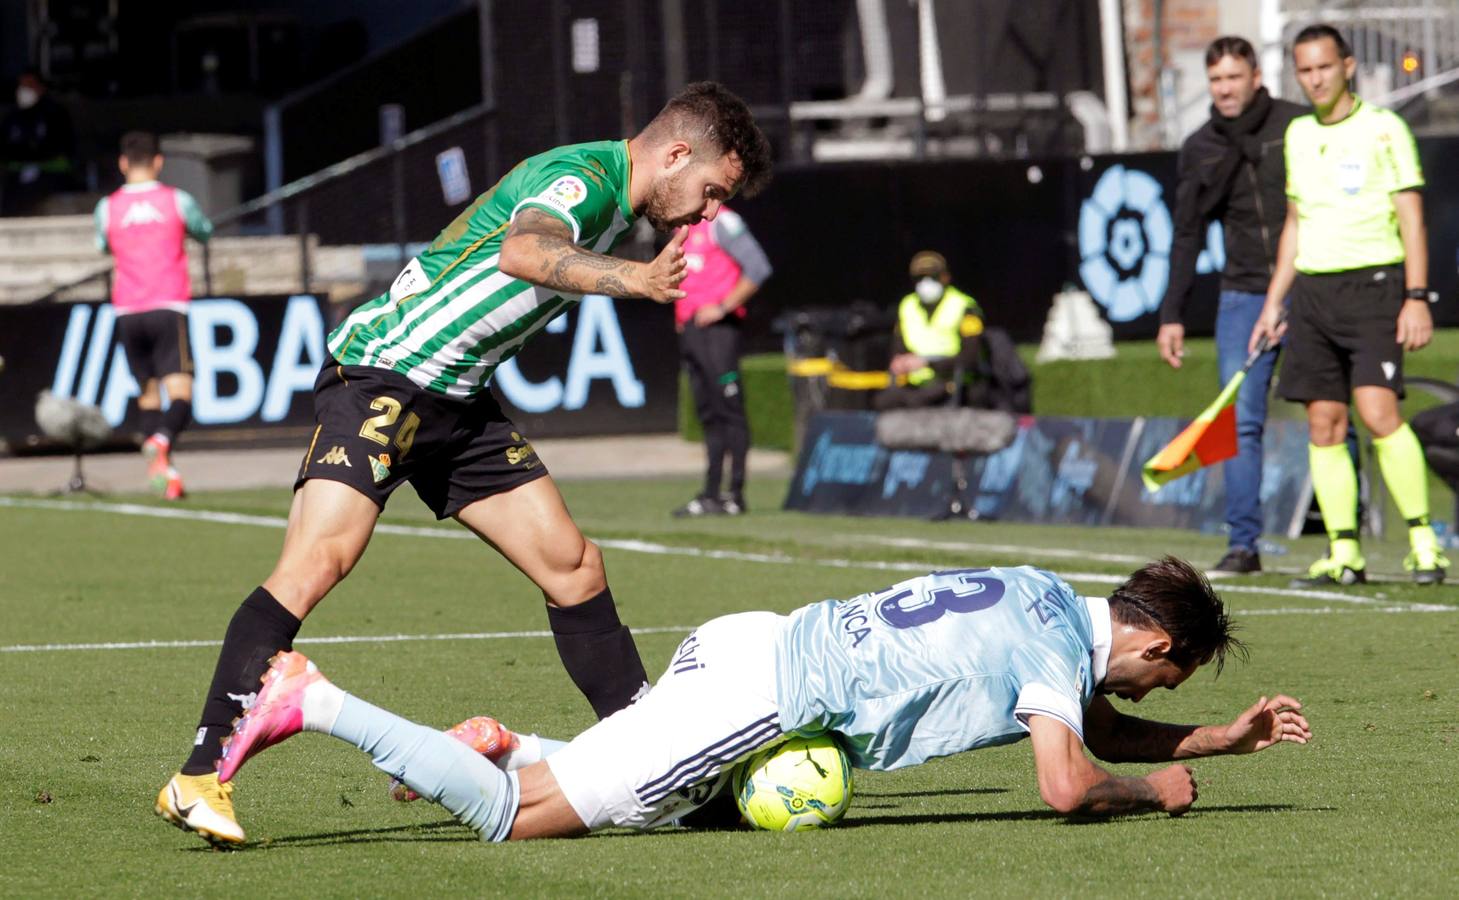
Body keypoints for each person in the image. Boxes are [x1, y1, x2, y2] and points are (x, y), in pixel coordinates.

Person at [153, 81, 773, 846]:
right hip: (385, 372)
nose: (710, 212)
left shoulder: (616, 202)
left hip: (457, 400)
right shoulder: (584, 179)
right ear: (676, 153)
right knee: (319, 560)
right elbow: (524, 250)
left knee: (573, 567)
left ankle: (661, 766)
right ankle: (198, 774)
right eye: (711, 191)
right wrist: (632, 280)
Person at [213, 558, 1310, 843]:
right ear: (1155, 642)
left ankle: (510, 741)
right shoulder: (1049, 655)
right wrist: (1155, 791)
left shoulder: (1044, 601)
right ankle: (315, 699)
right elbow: (1071, 780)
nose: (1150, 690)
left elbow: (1092, 713)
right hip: (764, 698)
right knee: (520, 819)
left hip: (750, 640)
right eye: (1171, 676)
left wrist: (1220, 737)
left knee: (673, 802)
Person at [1250, 25, 1447, 588]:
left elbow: (1411, 218)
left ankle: (1423, 542)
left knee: (1379, 413)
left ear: (1348, 66)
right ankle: (1344, 554)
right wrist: (1274, 302)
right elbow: (1294, 223)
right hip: (1312, 294)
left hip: (1375, 288)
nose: (1314, 79)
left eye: (1323, 68)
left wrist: (1416, 296)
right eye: (1304, 70)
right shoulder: (1297, 135)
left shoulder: (1385, 130)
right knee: (1323, 422)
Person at [1157, 37, 1306, 575]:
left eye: (1233, 77)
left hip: (1311, 287)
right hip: (1243, 294)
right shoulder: (1200, 146)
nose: (1224, 89)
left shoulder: (1297, 125)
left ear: (1256, 75)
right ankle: (1244, 543)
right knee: (1240, 421)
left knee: (1331, 414)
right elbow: (1187, 232)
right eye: (1215, 79)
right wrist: (1172, 312)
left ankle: (1346, 540)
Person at [95, 131, 214, 499]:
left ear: (122, 163)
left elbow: (102, 244)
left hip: (127, 310)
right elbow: (204, 231)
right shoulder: (177, 200)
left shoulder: (107, 206)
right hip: (167, 305)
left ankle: (167, 477)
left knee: (148, 395)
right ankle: (161, 442)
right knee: (182, 393)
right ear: (159, 162)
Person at [671, 206, 772, 517]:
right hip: (693, 331)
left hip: (718, 332)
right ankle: (711, 493)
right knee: (709, 414)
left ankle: (735, 493)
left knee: (730, 412)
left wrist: (723, 306)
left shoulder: (723, 222)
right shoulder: (683, 227)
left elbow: (758, 267)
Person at [874, 251, 984, 410]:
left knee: (920, 401)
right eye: (920, 278)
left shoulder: (964, 306)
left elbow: (970, 358)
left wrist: (928, 362)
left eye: (932, 277)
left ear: (945, 277)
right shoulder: (907, 305)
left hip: (951, 382)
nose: (925, 283)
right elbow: (897, 349)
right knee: (884, 402)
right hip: (914, 385)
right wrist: (900, 362)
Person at [0, 69, 76, 215]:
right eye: (21, 86)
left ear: (41, 88)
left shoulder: (55, 113)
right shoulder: (12, 116)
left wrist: (33, 154)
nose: (23, 91)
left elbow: (60, 146)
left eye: (29, 86)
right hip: (17, 177)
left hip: (50, 174)